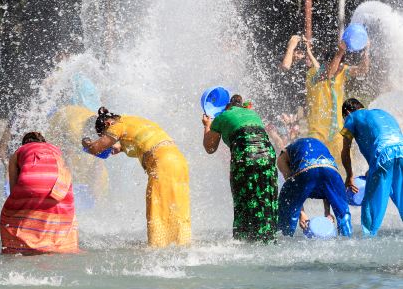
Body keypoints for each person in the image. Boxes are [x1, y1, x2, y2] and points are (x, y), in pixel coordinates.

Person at [82, 107, 191, 248]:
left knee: (157, 208)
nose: (106, 137)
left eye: (104, 135)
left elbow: (96, 149)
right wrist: (120, 148)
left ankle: (158, 248)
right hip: (179, 162)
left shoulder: (117, 127)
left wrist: (86, 142)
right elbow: (143, 141)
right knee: (177, 207)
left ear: (108, 124)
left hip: (162, 163)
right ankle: (181, 245)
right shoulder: (131, 120)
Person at [202, 94, 278, 243]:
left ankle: (244, 240)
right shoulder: (252, 113)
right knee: (266, 196)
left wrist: (207, 126)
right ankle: (267, 238)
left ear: (226, 107)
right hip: (268, 155)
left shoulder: (222, 117)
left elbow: (210, 148)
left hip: (246, 155)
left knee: (244, 198)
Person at [0, 132, 79, 254]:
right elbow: (64, 169)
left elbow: (13, 188)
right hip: (61, 185)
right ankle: (61, 246)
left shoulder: (19, 151)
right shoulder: (55, 150)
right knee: (62, 210)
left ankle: (19, 248)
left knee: (9, 213)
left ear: (24, 143)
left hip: (31, 183)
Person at [341, 98, 403, 235]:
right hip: (401, 151)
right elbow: (388, 139)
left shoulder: (351, 117)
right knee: (401, 194)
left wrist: (349, 176)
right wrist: (373, 167)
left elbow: (345, 150)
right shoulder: (382, 113)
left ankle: (368, 239)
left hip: (383, 154)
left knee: (370, 200)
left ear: (347, 111)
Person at [306, 40, 370, 174]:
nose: (341, 68)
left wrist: (366, 50)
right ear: (327, 63)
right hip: (318, 132)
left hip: (337, 131)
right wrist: (340, 52)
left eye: (341, 64)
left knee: (346, 167)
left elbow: (363, 70)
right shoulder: (314, 74)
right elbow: (328, 74)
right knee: (314, 167)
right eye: (339, 64)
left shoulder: (343, 71)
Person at [277, 137, 352, 237]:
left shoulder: (282, 157)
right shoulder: (317, 145)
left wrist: (301, 214)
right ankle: (347, 240)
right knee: (343, 213)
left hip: (306, 171)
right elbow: (328, 188)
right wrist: (327, 213)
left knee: (286, 197)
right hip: (331, 171)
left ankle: (285, 236)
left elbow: (293, 188)